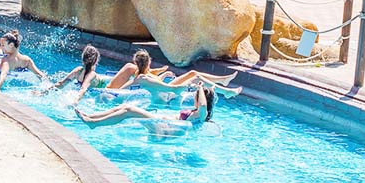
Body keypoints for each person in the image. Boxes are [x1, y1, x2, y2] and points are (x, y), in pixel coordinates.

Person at [75, 83, 215, 128]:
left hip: (164, 126)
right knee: (124, 107)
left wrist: (200, 88)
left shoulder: (201, 115)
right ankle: (92, 117)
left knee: (129, 110)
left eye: (196, 97)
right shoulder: (196, 112)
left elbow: (203, 105)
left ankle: (94, 123)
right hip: (161, 120)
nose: (194, 99)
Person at [119, 51, 241, 98]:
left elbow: (155, 84)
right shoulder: (142, 77)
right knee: (196, 77)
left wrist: (164, 75)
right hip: (166, 96)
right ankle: (226, 91)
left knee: (193, 73)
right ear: (149, 62)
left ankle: (223, 80)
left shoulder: (142, 74)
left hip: (166, 91)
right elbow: (157, 85)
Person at [104, 49, 171, 89]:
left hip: (106, 89)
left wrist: (160, 70)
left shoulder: (130, 67)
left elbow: (145, 71)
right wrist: (164, 73)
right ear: (149, 62)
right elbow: (158, 82)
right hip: (112, 94)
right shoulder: (143, 76)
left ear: (135, 61)